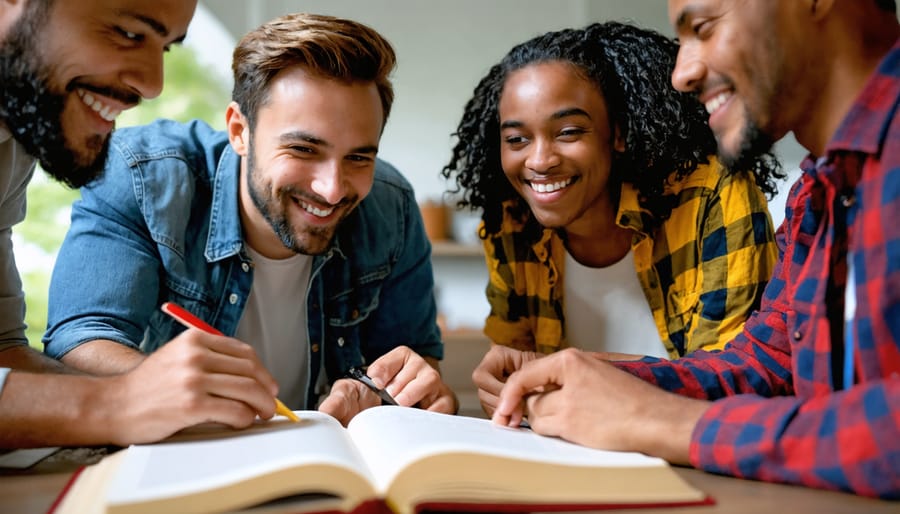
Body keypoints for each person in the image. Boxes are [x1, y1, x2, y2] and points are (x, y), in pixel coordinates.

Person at [494, 0, 900, 499]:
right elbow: (764, 367)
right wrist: (595, 376)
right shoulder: (817, 191)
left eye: (703, 27)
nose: (682, 74)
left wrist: (665, 421)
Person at [43, 12, 457, 427]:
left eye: (358, 157)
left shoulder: (392, 205)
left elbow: (417, 360)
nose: (332, 189)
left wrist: (401, 392)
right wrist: (163, 383)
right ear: (239, 131)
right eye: (303, 150)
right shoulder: (140, 176)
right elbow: (79, 338)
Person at [441, 21, 781, 415]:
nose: (538, 161)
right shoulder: (511, 225)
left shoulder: (711, 196)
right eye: (517, 140)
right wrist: (503, 388)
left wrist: (579, 371)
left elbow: (733, 383)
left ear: (617, 133)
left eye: (568, 132)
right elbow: (516, 375)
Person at [0, 0, 278, 449]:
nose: (152, 85)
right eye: (129, 33)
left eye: (166, 48)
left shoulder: (14, 143)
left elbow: (4, 353)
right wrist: (115, 404)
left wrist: (160, 398)